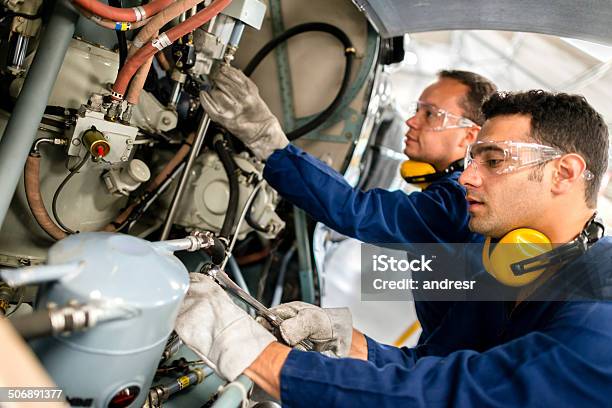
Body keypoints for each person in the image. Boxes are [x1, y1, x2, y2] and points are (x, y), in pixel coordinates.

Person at [176, 90, 612, 406]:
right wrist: (348, 342)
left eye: (494, 161)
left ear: (564, 173)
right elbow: (434, 364)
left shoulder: (602, 305)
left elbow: (456, 396)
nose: (466, 178)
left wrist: (255, 356)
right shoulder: (502, 264)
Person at [200, 65, 497, 338]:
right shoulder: (454, 195)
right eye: (417, 109)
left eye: (430, 113)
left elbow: (357, 210)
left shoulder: (456, 201)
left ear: (469, 136)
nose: (411, 120)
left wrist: (268, 140)